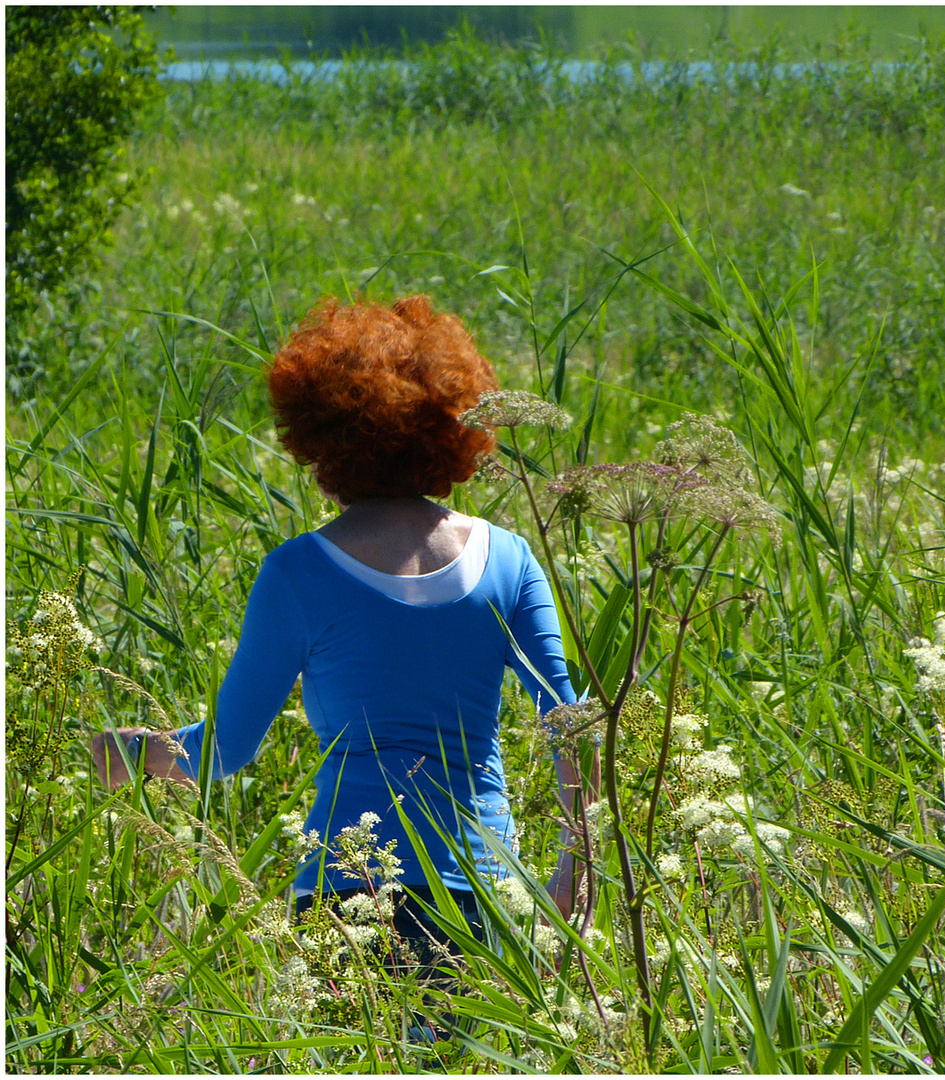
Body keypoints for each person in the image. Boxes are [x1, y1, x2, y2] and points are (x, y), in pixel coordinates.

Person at [92, 294, 581, 955]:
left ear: (320, 440)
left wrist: (115, 755)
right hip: (483, 882)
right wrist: (575, 866)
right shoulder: (509, 561)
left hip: (347, 891)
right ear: (452, 429)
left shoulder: (298, 574)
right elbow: (568, 723)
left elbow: (224, 751)